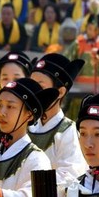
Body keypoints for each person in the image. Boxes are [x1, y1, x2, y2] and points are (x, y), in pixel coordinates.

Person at [29, 52, 88, 183]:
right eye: (32, 86)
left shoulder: (68, 131)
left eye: (41, 86)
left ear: (60, 92)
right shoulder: (23, 124)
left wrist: (30, 185)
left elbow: (70, 175)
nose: (34, 93)